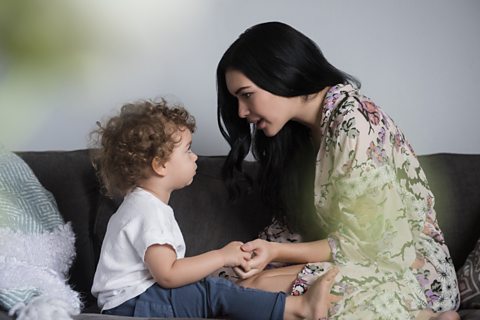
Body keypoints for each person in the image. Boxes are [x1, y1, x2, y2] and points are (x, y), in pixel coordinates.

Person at [216, 21, 460, 320]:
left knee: (249, 292)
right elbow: (290, 230)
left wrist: (274, 255)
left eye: (247, 94)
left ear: (280, 73)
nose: (241, 112)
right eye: (236, 100)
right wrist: (252, 255)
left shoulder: (353, 122)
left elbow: (374, 244)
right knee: (224, 283)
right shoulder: (300, 136)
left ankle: (427, 315)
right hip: (361, 262)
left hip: (413, 272)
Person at [90, 99, 339, 319]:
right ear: (160, 165)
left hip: (135, 301)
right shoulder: (147, 211)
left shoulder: (140, 205)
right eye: (187, 150)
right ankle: (300, 308)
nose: (195, 157)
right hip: (134, 306)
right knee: (215, 292)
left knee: (213, 291)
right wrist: (223, 256)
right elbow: (168, 274)